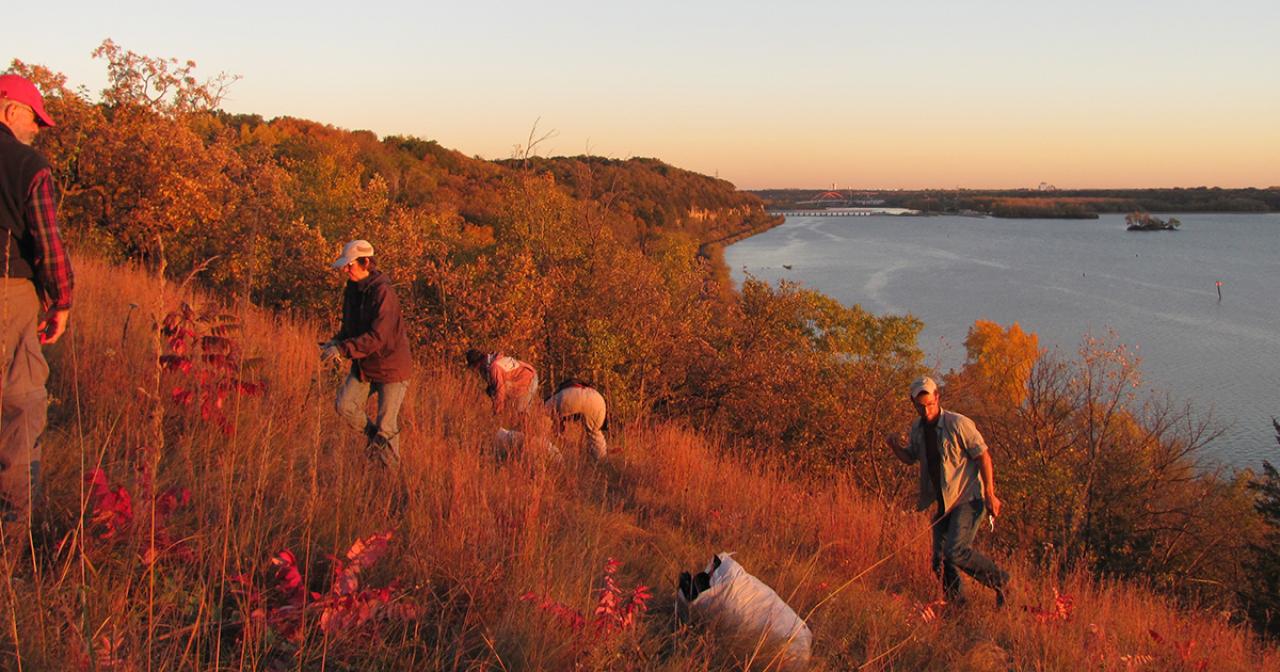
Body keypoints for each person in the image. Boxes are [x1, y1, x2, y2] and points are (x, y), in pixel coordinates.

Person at [1, 74, 71, 528]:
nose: (36, 130)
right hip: (10, 292)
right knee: (20, 406)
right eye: (34, 120)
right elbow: (47, 242)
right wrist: (60, 300)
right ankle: (12, 540)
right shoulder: (28, 165)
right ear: (11, 111)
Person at [885, 376, 1010, 607]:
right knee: (939, 561)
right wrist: (894, 447)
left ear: (937, 398)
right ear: (913, 403)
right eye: (921, 406)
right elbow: (910, 458)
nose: (926, 410)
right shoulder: (917, 429)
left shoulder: (958, 423)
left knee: (955, 550)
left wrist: (990, 494)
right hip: (944, 503)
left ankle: (1001, 581)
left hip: (969, 498)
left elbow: (983, 455)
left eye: (930, 404)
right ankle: (958, 606)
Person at [322, 240, 412, 467]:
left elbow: (377, 337)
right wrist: (336, 341)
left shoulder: (384, 294)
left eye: (349, 265)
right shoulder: (352, 289)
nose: (345, 270)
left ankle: (391, 478)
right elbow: (351, 327)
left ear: (365, 263)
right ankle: (377, 440)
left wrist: (342, 350)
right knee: (345, 405)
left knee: (387, 425)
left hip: (392, 368)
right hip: (365, 365)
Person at [544, 378, 608, 459]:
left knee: (541, 431)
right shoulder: (588, 389)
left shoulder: (555, 396)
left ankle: (555, 459)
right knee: (595, 432)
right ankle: (601, 460)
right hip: (597, 399)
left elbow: (555, 425)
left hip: (568, 395)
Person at [464, 349, 538, 418]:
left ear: (478, 363)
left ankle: (528, 430)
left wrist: (497, 413)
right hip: (523, 377)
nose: (475, 370)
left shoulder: (494, 367)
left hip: (527, 378)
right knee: (513, 413)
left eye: (474, 367)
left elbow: (500, 390)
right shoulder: (489, 364)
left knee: (520, 413)